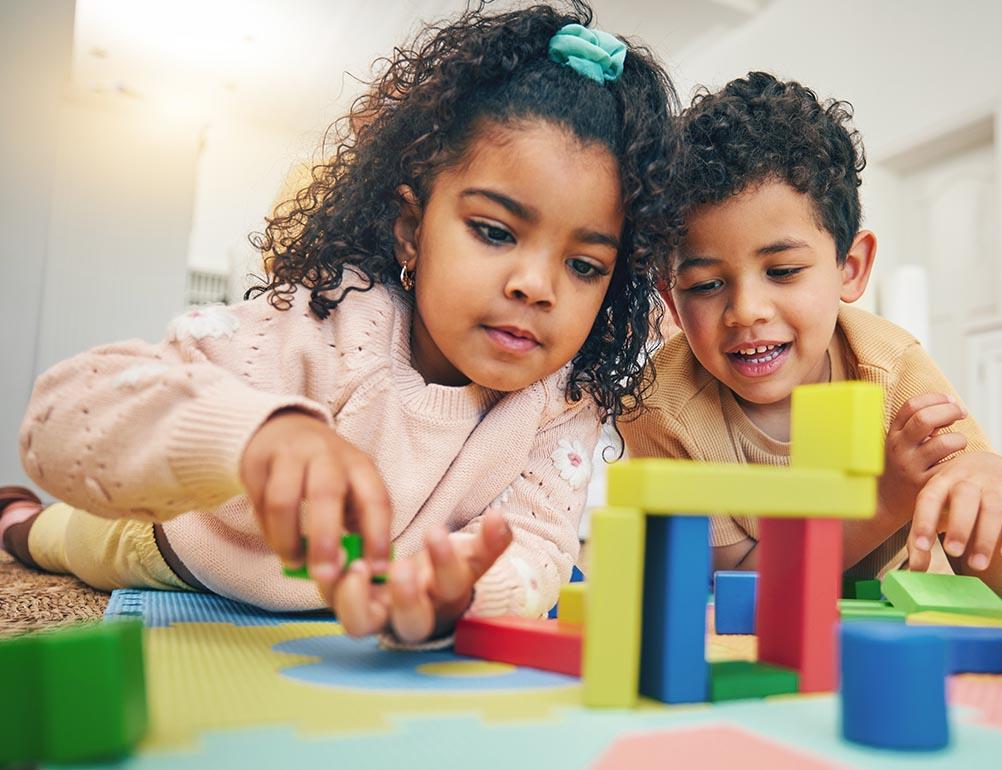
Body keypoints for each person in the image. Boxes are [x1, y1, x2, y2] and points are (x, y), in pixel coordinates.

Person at [0, 1, 679, 644]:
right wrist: (256, 438)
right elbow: (61, 417)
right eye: (494, 231)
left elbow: (538, 547)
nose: (536, 286)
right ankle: (15, 517)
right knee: (55, 535)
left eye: (586, 266)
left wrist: (458, 593)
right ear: (412, 231)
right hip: (181, 547)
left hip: (350, 605)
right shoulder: (326, 321)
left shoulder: (562, 399)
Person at [621, 71, 1002, 610]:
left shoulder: (893, 370)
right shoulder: (659, 404)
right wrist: (883, 501)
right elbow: (733, 588)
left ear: (850, 267)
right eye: (706, 285)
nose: (746, 311)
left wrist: (996, 483)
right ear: (671, 299)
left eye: (783, 271)